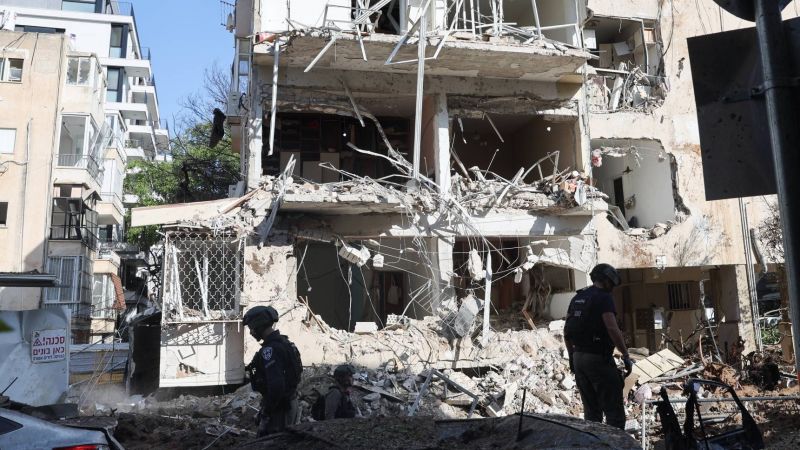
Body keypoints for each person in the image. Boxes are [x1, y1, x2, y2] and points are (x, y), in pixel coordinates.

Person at [563, 263, 633, 430]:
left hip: (578, 358)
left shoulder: (578, 297)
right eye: (612, 283)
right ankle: (615, 443)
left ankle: (593, 441)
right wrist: (625, 355)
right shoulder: (604, 297)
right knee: (614, 412)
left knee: (592, 412)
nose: (613, 287)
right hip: (597, 359)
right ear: (606, 280)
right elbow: (612, 328)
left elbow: (567, 331)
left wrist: (572, 357)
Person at [243, 305, 303, 436]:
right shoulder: (284, 343)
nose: (251, 332)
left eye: (251, 328)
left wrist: (266, 411)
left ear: (259, 325)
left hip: (281, 409)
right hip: (287, 404)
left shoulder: (270, 350)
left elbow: (276, 386)